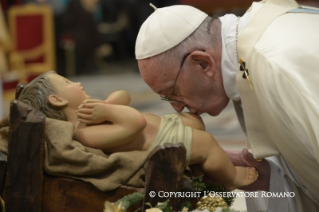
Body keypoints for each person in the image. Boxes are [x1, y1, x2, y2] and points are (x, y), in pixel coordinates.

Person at [135, 1, 319, 211]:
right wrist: (270, 179)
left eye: (171, 93)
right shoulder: (246, 59)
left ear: (203, 63)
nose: (176, 108)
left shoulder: (276, 61)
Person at [18, 71, 258, 191]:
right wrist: (109, 113)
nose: (78, 83)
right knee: (206, 144)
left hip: (166, 125)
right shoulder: (85, 134)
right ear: (57, 100)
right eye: (68, 83)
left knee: (193, 121)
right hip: (162, 142)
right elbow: (135, 124)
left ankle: (201, 168)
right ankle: (231, 178)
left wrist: (108, 105)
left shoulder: (93, 110)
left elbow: (125, 96)